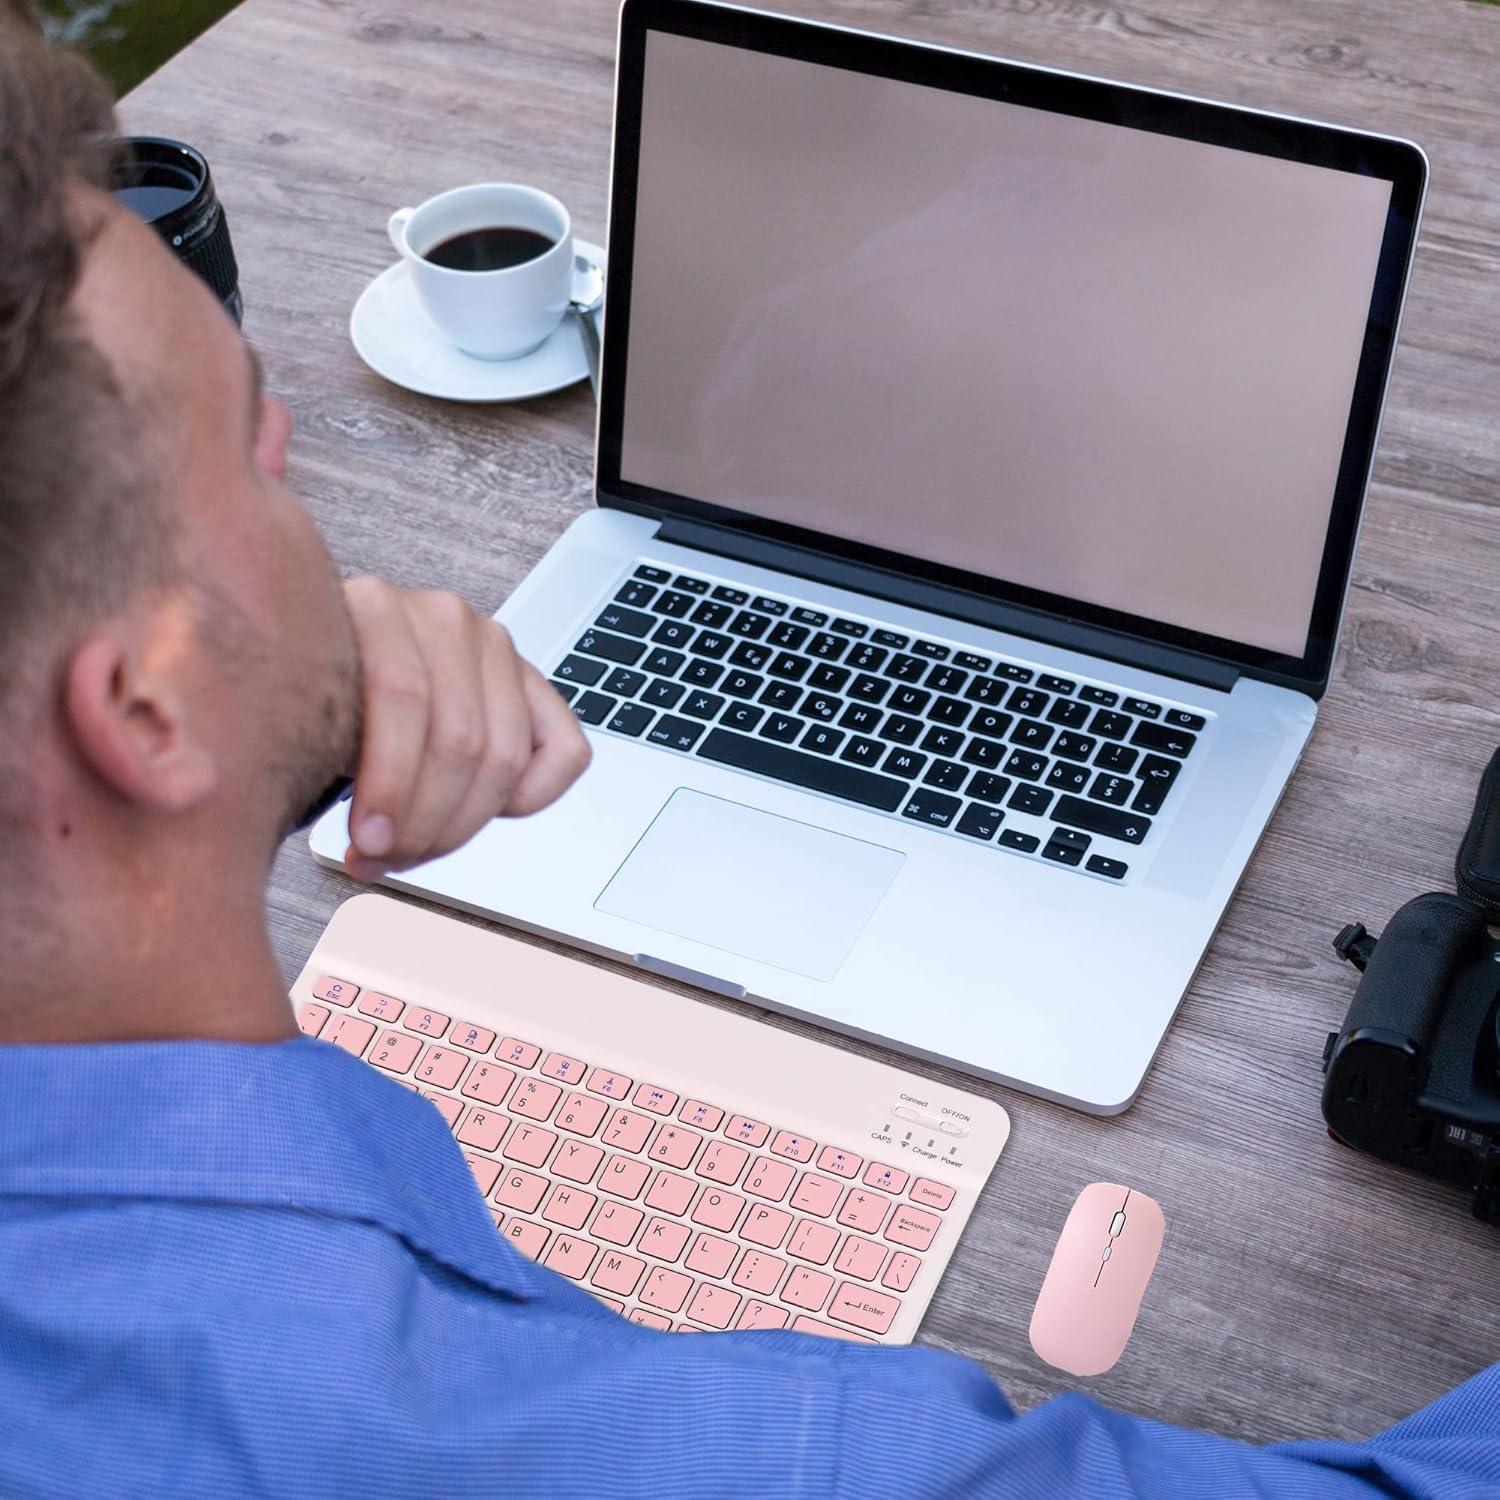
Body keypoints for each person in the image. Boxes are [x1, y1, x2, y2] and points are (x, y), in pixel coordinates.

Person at [0, 8, 1494, 1496]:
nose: (310, 501)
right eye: (264, 447)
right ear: (140, 716)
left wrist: (284, 718)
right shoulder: (639, 1447)